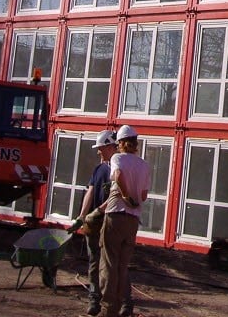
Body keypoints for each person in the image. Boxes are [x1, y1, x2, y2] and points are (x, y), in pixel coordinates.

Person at [70, 130, 125, 317]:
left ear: (111, 146)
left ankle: (124, 302)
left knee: (114, 262)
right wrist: (82, 216)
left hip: (112, 220)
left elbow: (116, 195)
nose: (99, 151)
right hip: (94, 221)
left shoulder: (120, 169)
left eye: (101, 148)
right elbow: (90, 192)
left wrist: (98, 211)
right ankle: (94, 299)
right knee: (94, 261)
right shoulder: (99, 169)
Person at [98, 124, 151, 317]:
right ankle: (120, 305)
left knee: (109, 263)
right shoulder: (144, 165)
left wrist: (125, 195)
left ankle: (108, 310)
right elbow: (144, 195)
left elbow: (118, 175)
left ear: (120, 143)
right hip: (133, 220)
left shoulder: (117, 158)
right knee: (122, 265)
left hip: (115, 215)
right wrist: (134, 197)